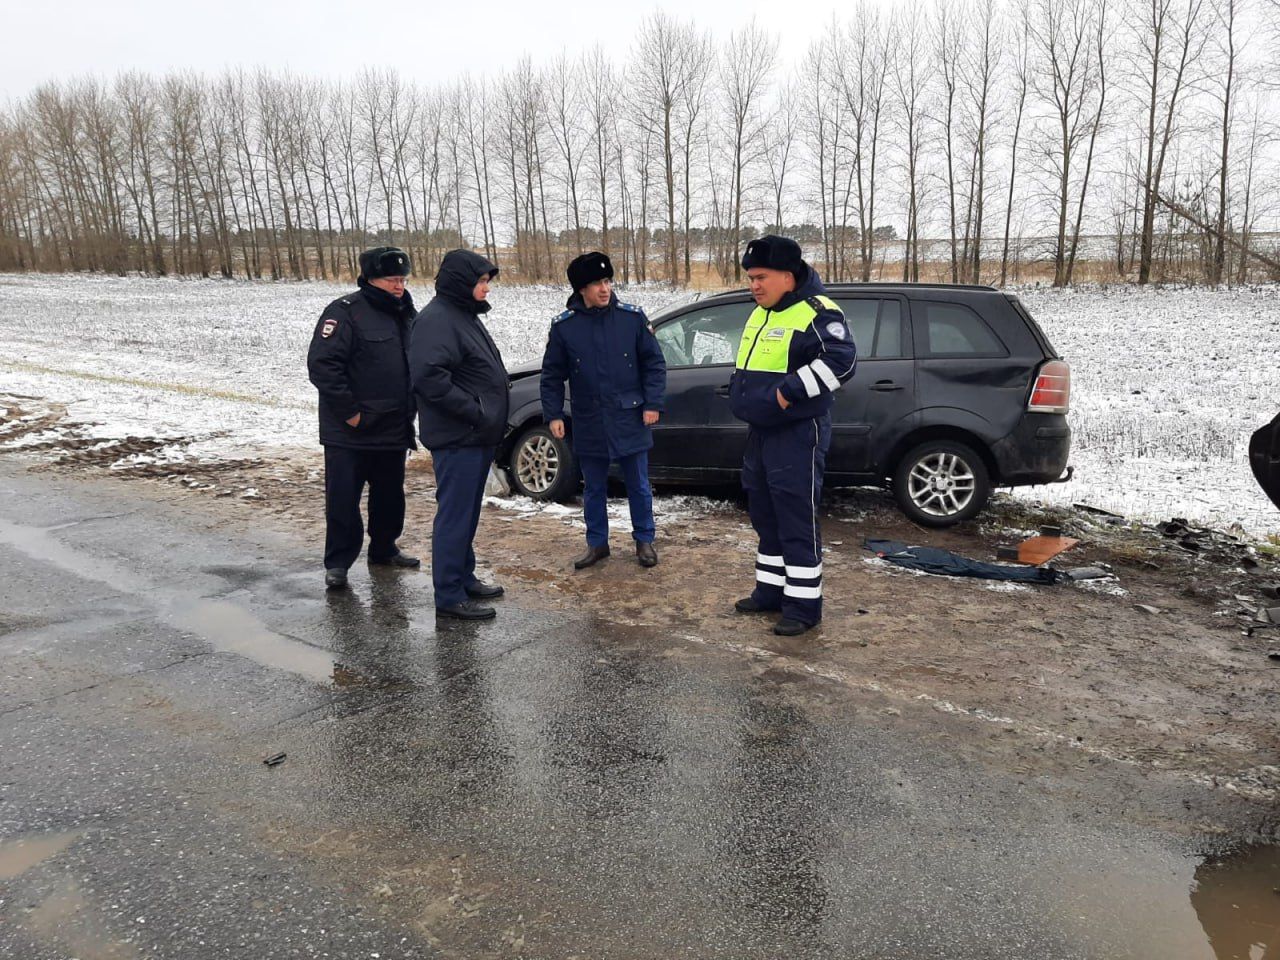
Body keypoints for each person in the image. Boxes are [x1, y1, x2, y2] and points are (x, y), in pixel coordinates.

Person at [729, 235, 856, 636]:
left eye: (761, 277)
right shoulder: (762, 311)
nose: (754, 285)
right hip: (761, 434)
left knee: (795, 516)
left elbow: (842, 361)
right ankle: (770, 591)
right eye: (751, 277)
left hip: (797, 433)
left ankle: (803, 606)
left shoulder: (817, 312)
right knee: (765, 515)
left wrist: (788, 393)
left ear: (788, 275)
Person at [540, 252, 666, 569]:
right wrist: (554, 414)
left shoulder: (631, 318)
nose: (604, 288)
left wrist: (652, 403)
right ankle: (597, 544)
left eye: (607, 281)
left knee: (638, 484)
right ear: (582, 288)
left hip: (629, 416)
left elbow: (654, 364)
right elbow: (552, 375)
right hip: (590, 419)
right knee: (594, 487)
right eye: (596, 283)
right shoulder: (565, 328)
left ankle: (644, 541)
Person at [307, 246, 420, 590]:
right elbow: (323, 367)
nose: (399, 285)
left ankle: (384, 548)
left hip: (392, 425)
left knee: (390, 497)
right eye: (391, 279)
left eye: (402, 278)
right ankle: (338, 562)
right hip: (350, 430)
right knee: (343, 500)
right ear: (371, 278)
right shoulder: (344, 313)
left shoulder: (407, 313)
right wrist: (351, 414)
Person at [409, 249, 508, 621]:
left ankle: (463, 577)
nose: (486, 288)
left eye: (486, 282)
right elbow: (430, 378)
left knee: (466, 514)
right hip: (459, 436)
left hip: (474, 435)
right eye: (481, 282)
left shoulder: (461, 315)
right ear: (461, 283)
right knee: (454, 515)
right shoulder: (437, 320)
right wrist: (476, 412)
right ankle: (449, 594)